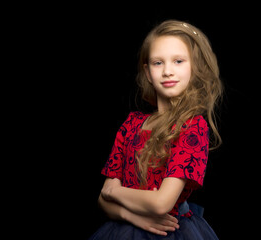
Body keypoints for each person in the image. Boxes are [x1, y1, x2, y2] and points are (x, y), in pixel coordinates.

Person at [89, 19, 223, 239]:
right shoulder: (131, 124)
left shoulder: (192, 126)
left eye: (178, 61)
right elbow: (102, 201)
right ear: (148, 72)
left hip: (172, 231)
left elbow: (161, 203)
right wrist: (131, 215)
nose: (168, 71)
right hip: (125, 227)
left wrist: (115, 191)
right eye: (158, 63)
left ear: (194, 67)